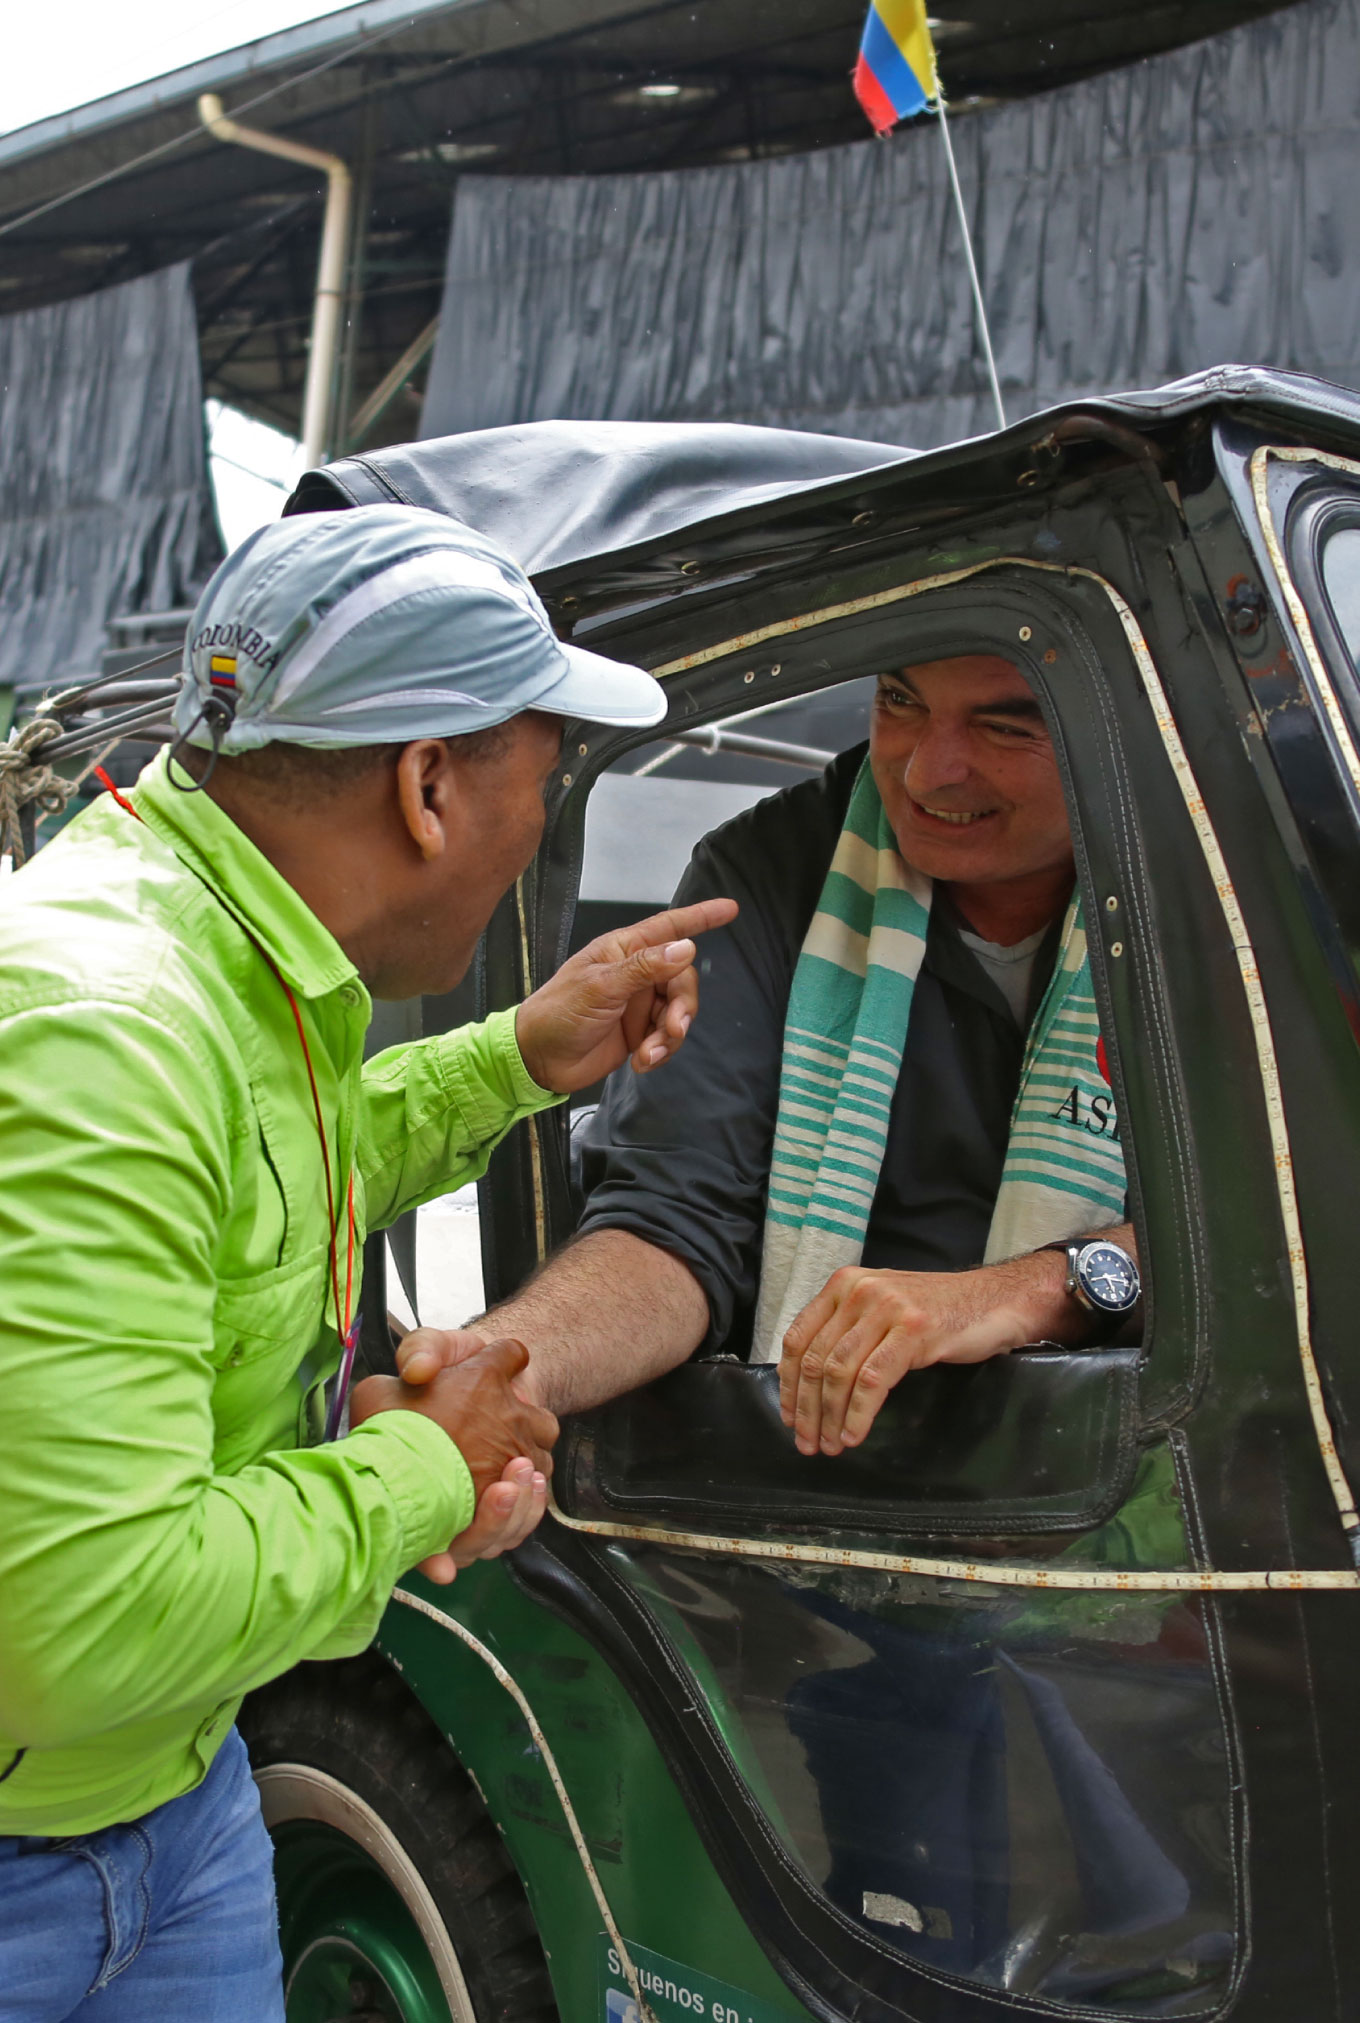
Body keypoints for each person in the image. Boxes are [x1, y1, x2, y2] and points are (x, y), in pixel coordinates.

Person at [0, 505, 734, 2022]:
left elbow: (265, 1172)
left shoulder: (213, 949)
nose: (543, 821)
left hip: (175, 1795)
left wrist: (519, 1057)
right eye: (546, 778)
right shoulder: (103, 1029)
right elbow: (85, 1620)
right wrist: (424, 1465)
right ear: (428, 783)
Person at [406, 654, 1139, 1450]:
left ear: (1117, 716)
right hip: (810, 1470)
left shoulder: (1222, 876)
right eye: (899, 699)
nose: (931, 771)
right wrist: (501, 1372)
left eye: (1003, 725)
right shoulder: (763, 871)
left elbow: (1284, 1219)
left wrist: (1042, 1286)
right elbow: (672, 1224)